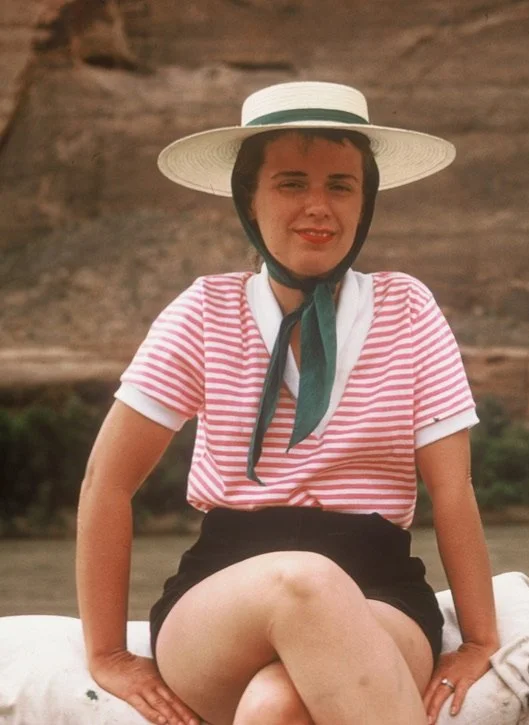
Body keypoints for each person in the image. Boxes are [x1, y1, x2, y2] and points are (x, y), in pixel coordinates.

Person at [76, 81, 499, 725]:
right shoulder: (204, 311)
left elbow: (454, 491)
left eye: (340, 185)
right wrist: (107, 651)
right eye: (291, 183)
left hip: (381, 591)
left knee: (277, 707)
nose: (317, 207)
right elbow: (107, 480)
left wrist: (478, 641)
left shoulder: (408, 309)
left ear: (367, 201)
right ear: (249, 199)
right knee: (305, 579)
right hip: (221, 597)